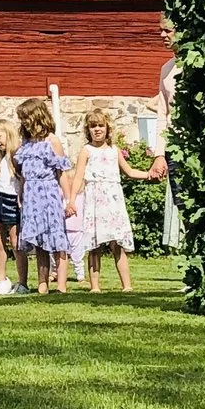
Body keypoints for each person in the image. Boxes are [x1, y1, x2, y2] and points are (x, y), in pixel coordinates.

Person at [75, 107, 161, 294]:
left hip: (113, 200)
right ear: (88, 130)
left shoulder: (115, 150)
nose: (97, 129)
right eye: (93, 126)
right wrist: (72, 200)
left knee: (117, 244)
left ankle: (127, 285)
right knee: (95, 245)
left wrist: (149, 175)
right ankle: (95, 286)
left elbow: (129, 172)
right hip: (94, 200)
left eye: (100, 125)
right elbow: (78, 177)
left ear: (107, 128)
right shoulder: (86, 151)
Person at [11, 97, 73, 294]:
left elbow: (61, 173)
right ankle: (42, 282)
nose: (24, 123)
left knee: (56, 239)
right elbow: (22, 174)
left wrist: (69, 199)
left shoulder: (52, 141)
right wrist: (21, 192)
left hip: (49, 193)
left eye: (26, 118)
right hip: (31, 195)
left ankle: (61, 284)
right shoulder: (27, 144)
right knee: (39, 241)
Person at [0, 117, 23, 295]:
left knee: (16, 242)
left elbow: (21, 179)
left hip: (13, 200)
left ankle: (22, 280)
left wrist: (21, 198)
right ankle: (1, 279)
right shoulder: (2, 158)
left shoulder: (17, 156)